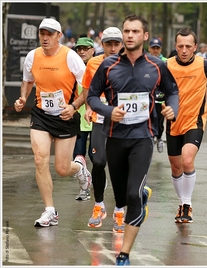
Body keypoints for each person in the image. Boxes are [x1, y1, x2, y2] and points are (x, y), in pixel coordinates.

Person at [86, 14, 179, 265]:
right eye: (126, 31)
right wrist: (108, 111)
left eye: (135, 31)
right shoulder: (108, 66)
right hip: (115, 137)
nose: (129, 35)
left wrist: (173, 109)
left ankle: (124, 254)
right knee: (122, 197)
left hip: (143, 137)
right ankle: (138, 196)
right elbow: (92, 97)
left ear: (144, 36)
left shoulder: (157, 65)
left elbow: (172, 91)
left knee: (133, 195)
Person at [13, 18, 91, 227]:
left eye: (49, 34)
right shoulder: (33, 56)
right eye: (42, 34)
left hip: (65, 116)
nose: (45, 38)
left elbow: (88, 87)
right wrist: (22, 98)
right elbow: (28, 80)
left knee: (62, 169)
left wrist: (74, 106)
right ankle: (50, 211)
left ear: (59, 36)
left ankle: (80, 169)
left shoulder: (71, 57)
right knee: (40, 159)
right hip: (41, 115)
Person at [166, 28, 207, 223]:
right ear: (175, 47)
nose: (184, 50)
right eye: (180, 46)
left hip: (195, 119)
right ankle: (181, 202)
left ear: (195, 48)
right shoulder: (166, 65)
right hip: (173, 121)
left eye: (188, 46)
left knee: (187, 160)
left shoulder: (205, 64)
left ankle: (187, 205)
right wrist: (161, 104)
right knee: (176, 168)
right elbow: (156, 89)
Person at [82, 27, 124, 230]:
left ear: (122, 45)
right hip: (100, 118)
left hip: (123, 121)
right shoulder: (93, 63)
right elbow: (87, 88)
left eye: (117, 44)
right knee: (98, 161)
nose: (113, 48)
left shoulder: (130, 63)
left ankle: (120, 210)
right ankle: (99, 205)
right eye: (109, 44)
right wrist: (89, 107)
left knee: (119, 165)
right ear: (102, 44)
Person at [73, 37, 95, 201]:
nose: (82, 51)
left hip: (96, 119)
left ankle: (98, 183)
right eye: (79, 49)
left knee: (95, 157)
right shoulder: (72, 69)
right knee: (78, 157)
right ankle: (84, 188)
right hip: (77, 120)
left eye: (85, 48)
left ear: (92, 50)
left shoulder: (98, 67)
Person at [148, 37, 167, 153]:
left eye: (157, 48)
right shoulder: (144, 60)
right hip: (148, 94)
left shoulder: (165, 61)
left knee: (159, 119)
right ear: (149, 49)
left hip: (161, 95)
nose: (155, 50)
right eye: (153, 48)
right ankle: (149, 138)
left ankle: (159, 137)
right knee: (148, 118)